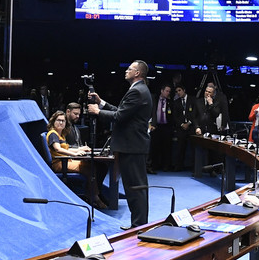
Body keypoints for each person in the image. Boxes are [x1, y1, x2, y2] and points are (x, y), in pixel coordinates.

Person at [89, 60, 152, 227]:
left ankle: (139, 226)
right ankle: (138, 224)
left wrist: (97, 112)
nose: (126, 71)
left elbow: (119, 117)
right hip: (134, 145)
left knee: (136, 188)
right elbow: (121, 111)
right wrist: (101, 103)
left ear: (137, 73)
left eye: (129, 69)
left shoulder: (137, 91)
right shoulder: (140, 90)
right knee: (135, 187)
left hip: (132, 146)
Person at [45, 110, 91, 175]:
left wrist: (79, 149)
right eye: (58, 120)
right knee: (87, 168)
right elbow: (58, 149)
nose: (61, 123)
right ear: (53, 122)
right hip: (59, 164)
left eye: (63, 121)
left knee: (88, 165)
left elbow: (66, 149)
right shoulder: (53, 134)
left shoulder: (62, 135)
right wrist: (75, 154)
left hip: (66, 161)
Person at [150, 85, 175, 172]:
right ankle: (154, 166)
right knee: (155, 147)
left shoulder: (170, 102)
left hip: (167, 127)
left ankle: (166, 166)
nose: (168, 93)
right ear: (162, 91)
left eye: (169, 91)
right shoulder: (155, 100)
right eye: (167, 91)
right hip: (156, 126)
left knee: (166, 147)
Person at [171, 86, 195, 170]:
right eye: (176, 91)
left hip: (191, 127)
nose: (178, 92)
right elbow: (175, 116)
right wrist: (182, 124)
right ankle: (179, 166)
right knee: (180, 148)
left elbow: (195, 113)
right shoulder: (176, 102)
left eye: (179, 90)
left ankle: (194, 167)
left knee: (193, 148)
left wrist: (188, 123)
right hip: (181, 128)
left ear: (184, 90)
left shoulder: (193, 100)